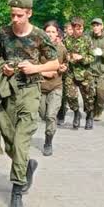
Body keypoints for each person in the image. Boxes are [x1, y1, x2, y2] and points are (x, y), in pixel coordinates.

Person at [0, 0, 58, 207]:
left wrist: (35, 68)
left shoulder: (39, 35)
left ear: (29, 13)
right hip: (7, 92)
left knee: (21, 143)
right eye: (12, 15)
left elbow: (55, 62)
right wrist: (4, 67)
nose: (15, 19)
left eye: (19, 15)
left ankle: (16, 191)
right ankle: (27, 165)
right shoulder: (3, 33)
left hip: (30, 92)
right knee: (11, 143)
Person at [39, 21, 68, 156]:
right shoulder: (37, 47)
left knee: (51, 116)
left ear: (57, 34)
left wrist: (63, 68)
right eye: (47, 31)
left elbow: (65, 64)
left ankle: (48, 142)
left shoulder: (61, 48)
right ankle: (49, 129)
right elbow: (29, 66)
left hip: (56, 86)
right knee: (43, 115)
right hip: (39, 87)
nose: (50, 34)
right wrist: (44, 73)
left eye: (53, 32)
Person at [62, 17, 94, 130]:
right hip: (70, 73)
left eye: (81, 28)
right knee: (70, 96)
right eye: (77, 28)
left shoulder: (87, 40)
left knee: (89, 98)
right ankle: (76, 113)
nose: (80, 31)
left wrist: (82, 58)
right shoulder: (66, 40)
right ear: (73, 28)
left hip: (85, 73)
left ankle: (89, 116)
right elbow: (63, 55)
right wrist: (67, 58)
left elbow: (92, 57)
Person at [89, 18, 104, 125]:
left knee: (101, 95)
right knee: (90, 95)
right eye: (94, 25)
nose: (95, 27)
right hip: (90, 70)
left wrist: (102, 53)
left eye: (98, 25)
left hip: (103, 72)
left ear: (102, 26)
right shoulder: (88, 38)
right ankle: (92, 112)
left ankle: (99, 111)